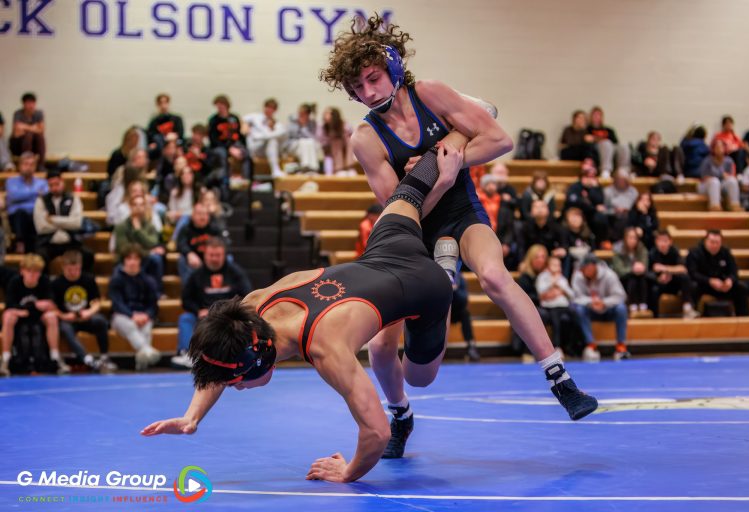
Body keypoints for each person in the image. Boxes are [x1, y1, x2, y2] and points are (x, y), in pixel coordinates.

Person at [141, 139, 598, 483]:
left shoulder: (326, 350)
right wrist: (193, 415)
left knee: (417, 375)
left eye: (237, 382)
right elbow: (221, 362)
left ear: (258, 358)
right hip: (385, 249)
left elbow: (374, 434)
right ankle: (459, 135)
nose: (235, 388)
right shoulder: (252, 307)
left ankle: (446, 269)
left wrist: (349, 472)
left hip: (423, 290)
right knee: (416, 186)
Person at [318, 14, 596, 457]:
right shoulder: (367, 138)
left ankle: (560, 377)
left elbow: (500, 140)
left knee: (494, 276)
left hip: (464, 213)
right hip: (413, 235)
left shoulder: (431, 93)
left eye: (373, 79)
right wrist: (440, 176)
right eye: (357, 89)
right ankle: (401, 413)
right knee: (392, 353)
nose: (368, 93)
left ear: (392, 66)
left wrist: (451, 165)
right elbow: (400, 211)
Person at [173, 237, 251, 369]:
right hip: (202, 316)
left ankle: (243, 353)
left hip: (229, 316)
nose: (214, 258)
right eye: (211, 255)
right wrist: (197, 310)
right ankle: (187, 354)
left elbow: (247, 295)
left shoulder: (236, 273)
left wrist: (228, 311)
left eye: (218, 255)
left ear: (224, 255)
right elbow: (186, 299)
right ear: (205, 255)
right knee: (185, 318)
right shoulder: (196, 275)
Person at [1, 254, 68, 376]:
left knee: (51, 317)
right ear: (22, 271)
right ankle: (5, 358)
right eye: (29, 271)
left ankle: (55, 357)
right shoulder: (15, 282)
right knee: (8, 316)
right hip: (20, 317)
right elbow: (10, 305)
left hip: (38, 317)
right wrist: (34, 306)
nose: (33, 275)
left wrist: (28, 309)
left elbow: (50, 304)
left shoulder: (44, 282)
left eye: (36, 272)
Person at [52, 250, 117, 372]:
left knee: (101, 321)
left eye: (76, 269)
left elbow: (97, 302)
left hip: (85, 316)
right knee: (65, 328)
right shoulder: (56, 283)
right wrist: (64, 316)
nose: (73, 273)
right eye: (69, 270)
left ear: (80, 266)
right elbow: (52, 307)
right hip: (67, 318)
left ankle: (104, 357)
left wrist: (89, 312)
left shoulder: (88, 279)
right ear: (63, 267)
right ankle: (87, 359)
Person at [109, 245, 161, 371]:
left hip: (143, 316)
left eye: (135, 258)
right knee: (130, 325)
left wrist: (147, 315)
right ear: (124, 260)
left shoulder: (148, 280)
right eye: (129, 258)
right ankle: (147, 350)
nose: (132, 262)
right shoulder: (116, 280)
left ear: (140, 261)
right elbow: (117, 304)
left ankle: (142, 363)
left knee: (146, 327)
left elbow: (153, 305)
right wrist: (132, 315)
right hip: (122, 317)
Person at [571, 253, 629, 361]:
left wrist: (604, 302)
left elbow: (621, 296)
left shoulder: (609, 275)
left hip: (608, 309)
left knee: (621, 308)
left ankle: (621, 346)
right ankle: (591, 345)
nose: (584, 271)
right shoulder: (578, 275)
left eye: (586, 268)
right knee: (578, 309)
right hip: (590, 309)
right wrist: (591, 302)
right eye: (582, 269)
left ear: (593, 266)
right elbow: (575, 297)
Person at [33, 169, 93, 272]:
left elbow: (77, 223)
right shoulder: (41, 201)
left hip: (70, 242)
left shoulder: (73, 198)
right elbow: (41, 227)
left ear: (62, 182)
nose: (55, 188)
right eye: (51, 185)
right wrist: (66, 222)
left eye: (57, 184)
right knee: (38, 258)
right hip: (48, 242)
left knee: (87, 255)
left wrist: (52, 220)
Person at [685, 230, 749, 316]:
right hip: (703, 285)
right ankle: (692, 315)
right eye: (712, 242)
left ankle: (744, 319)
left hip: (722, 286)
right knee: (692, 287)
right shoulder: (695, 253)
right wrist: (709, 281)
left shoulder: (725, 252)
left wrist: (730, 280)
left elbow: (734, 271)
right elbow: (692, 273)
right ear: (705, 241)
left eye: (717, 242)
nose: (714, 245)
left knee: (741, 288)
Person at [114, 194, 166, 293]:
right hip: (127, 260)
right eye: (135, 205)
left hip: (146, 260)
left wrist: (138, 231)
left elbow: (152, 243)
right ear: (130, 206)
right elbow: (123, 249)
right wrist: (147, 251)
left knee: (156, 259)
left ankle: (158, 293)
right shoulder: (121, 226)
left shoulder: (150, 225)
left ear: (145, 207)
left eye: (141, 205)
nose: (138, 208)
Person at [648, 230, 699, 319]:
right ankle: (654, 316)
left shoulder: (674, 251)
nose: (663, 244)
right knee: (653, 289)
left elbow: (683, 268)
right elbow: (649, 272)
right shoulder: (652, 253)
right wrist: (658, 279)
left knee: (686, 278)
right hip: (659, 284)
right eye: (660, 241)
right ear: (656, 242)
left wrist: (666, 269)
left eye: (665, 241)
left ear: (670, 242)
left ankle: (687, 308)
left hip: (673, 283)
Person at [535, 256, 579, 357]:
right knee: (556, 319)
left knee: (576, 315)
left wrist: (561, 288)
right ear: (548, 266)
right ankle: (556, 346)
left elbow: (572, 295)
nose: (557, 267)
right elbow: (541, 292)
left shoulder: (562, 279)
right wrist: (552, 283)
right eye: (554, 265)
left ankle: (573, 346)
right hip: (550, 307)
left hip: (564, 306)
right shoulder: (542, 277)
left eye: (558, 265)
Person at [6, 152, 48, 254]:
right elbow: (14, 196)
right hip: (17, 217)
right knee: (21, 213)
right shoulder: (11, 181)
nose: (28, 167)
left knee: (38, 214)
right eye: (26, 164)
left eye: (31, 164)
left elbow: (46, 196)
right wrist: (35, 193)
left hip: (35, 216)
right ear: (20, 166)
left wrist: (23, 196)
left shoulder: (42, 182)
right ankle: (20, 243)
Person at [208, 95, 250, 190]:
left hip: (235, 144)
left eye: (222, 106)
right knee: (222, 154)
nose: (220, 108)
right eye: (218, 106)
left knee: (246, 153)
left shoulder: (234, 118)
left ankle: (246, 180)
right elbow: (213, 140)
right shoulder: (213, 120)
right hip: (220, 146)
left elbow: (239, 135)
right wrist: (229, 149)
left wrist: (241, 147)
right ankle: (225, 181)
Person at [177, 203, 224, 284]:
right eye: (199, 214)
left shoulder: (215, 228)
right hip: (194, 259)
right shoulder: (186, 228)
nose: (202, 217)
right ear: (193, 216)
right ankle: (189, 291)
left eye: (205, 214)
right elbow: (180, 244)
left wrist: (212, 256)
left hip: (212, 257)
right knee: (182, 260)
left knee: (229, 258)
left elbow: (223, 244)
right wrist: (189, 254)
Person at [611, 227, 652, 317]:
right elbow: (619, 270)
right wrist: (632, 269)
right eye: (630, 237)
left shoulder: (642, 249)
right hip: (623, 278)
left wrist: (641, 268)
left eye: (635, 238)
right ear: (625, 238)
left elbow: (645, 265)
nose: (632, 240)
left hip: (639, 277)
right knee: (632, 278)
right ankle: (632, 304)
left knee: (641, 278)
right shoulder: (618, 250)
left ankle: (643, 304)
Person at [245, 98, 287, 177]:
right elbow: (242, 121)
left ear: (275, 111)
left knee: (276, 137)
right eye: (268, 107)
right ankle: (275, 170)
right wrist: (246, 128)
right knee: (272, 139)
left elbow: (282, 134)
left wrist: (270, 130)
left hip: (267, 148)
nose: (269, 110)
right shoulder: (254, 117)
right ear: (264, 107)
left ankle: (275, 170)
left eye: (272, 109)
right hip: (255, 147)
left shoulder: (276, 124)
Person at [697, 139, 741, 211]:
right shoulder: (707, 161)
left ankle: (734, 205)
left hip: (722, 184)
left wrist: (727, 176)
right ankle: (715, 206)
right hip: (708, 185)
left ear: (724, 148)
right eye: (717, 147)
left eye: (721, 147)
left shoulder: (729, 161)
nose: (719, 149)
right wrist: (720, 176)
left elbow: (732, 175)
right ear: (713, 149)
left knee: (732, 181)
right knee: (715, 181)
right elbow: (704, 177)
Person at [9, 93, 46, 168]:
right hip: (18, 145)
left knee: (40, 137)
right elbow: (17, 133)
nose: (31, 105)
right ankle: (26, 164)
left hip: (34, 145)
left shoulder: (39, 113)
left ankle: (41, 164)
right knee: (29, 135)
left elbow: (41, 130)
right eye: (28, 103)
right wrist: (34, 128)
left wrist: (24, 127)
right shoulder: (18, 113)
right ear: (23, 104)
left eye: (32, 102)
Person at [284, 103, 322, 172]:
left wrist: (304, 127)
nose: (300, 115)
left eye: (303, 114)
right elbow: (290, 136)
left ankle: (312, 167)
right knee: (303, 141)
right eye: (299, 113)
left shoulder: (312, 123)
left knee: (309, 141)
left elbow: (313, 138)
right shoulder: (292, 122)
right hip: (293, 145)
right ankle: (306, 166)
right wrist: (299, 125)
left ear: (307, 115)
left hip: (306, 147)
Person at [603, 168, 638, 241]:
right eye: (619, 179)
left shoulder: (633, 192)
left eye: (624, 180)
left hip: (629, 217)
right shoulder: (607, 192)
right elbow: (603, 209)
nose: (621, 182)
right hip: (612, 217)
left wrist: (627, 210)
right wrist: (614, 211)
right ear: (615, 179)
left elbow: (636, 208)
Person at [147, 93, 185, 158]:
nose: (163, 106)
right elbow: (150, 136)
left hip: (175, 146)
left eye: (165, 102)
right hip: (159, 148)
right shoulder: (154, 121)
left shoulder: (177, 119)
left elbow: (180, 134)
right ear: (157, 105)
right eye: (161, 103)